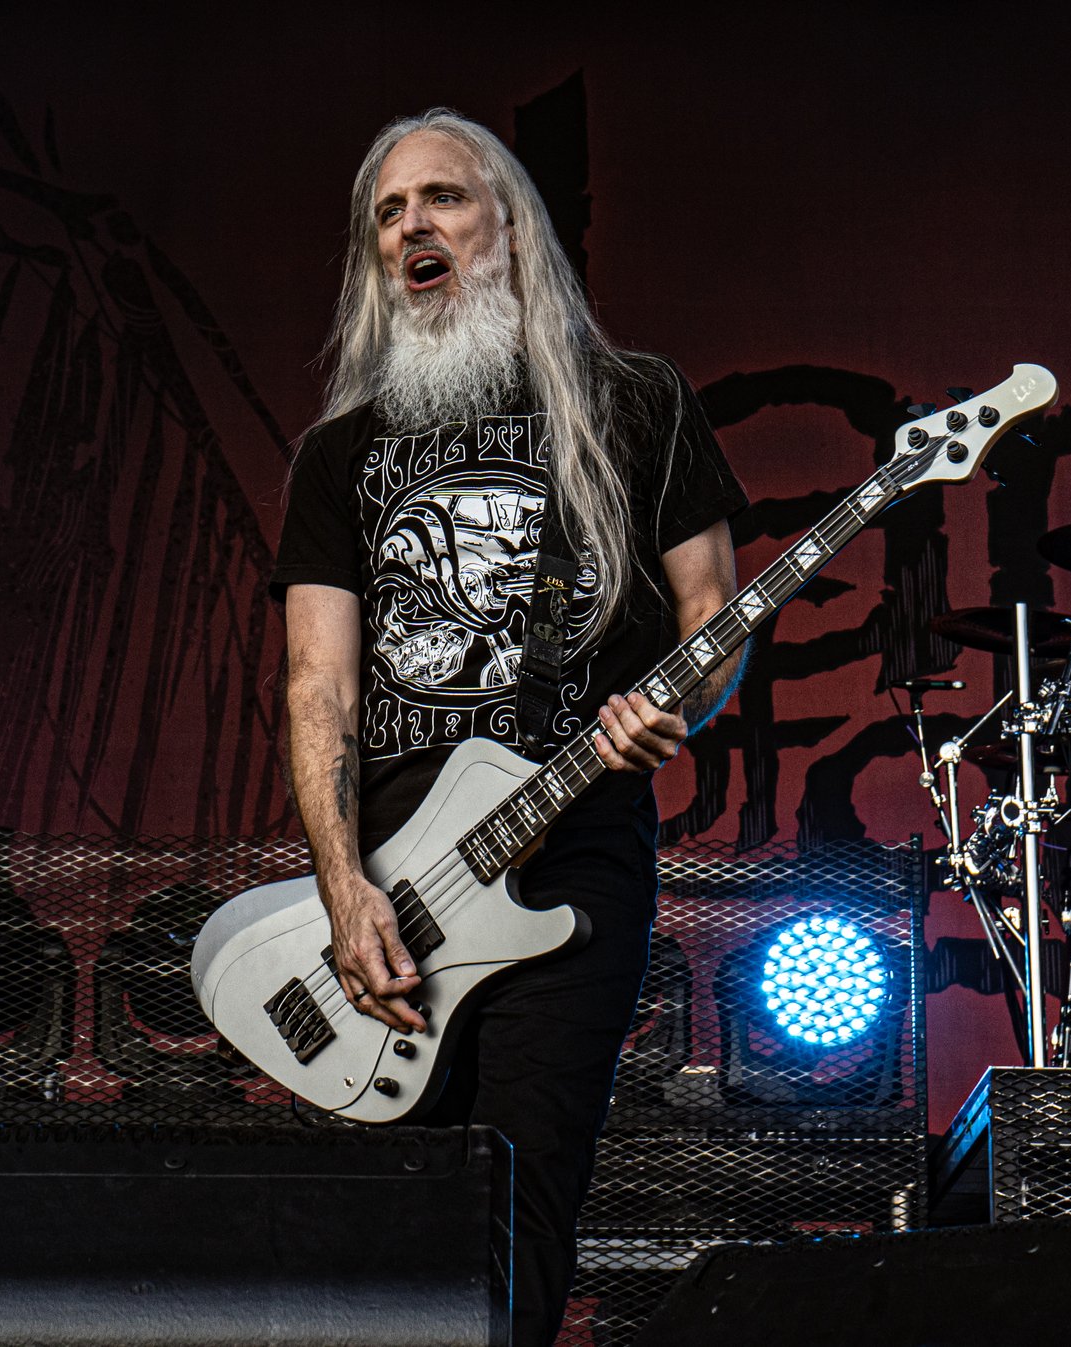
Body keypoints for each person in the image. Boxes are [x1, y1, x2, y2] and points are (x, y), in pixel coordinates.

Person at [269, 109, 749, 1347]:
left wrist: (673, 706)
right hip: (390, 878)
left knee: (522, 1194)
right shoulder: (341, 455)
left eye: (443, 198)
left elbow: (715, 617)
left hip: (573, 849)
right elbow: (316, 685)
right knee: (390, 1219)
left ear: (511, 227)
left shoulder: (637, 404)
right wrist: (340, 887)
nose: (412, 225)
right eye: (388, 210)